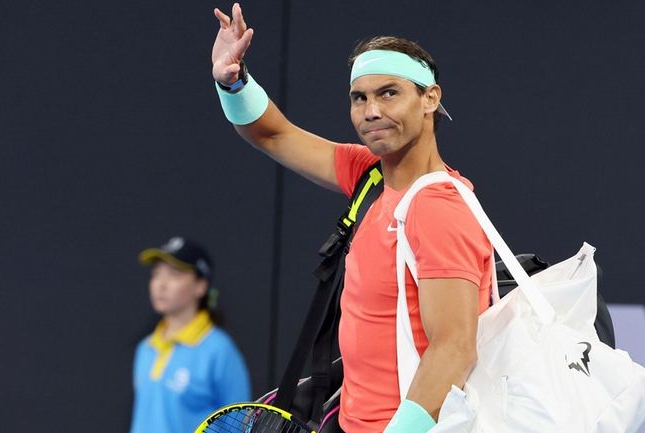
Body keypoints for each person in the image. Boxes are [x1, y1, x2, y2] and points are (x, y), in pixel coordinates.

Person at [211, 4, 494, 433]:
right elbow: (274, 133)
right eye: (359, 97)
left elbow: (454, 349)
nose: (371, 111)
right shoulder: (371, 175)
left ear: (430, 98)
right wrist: (231, 82)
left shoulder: (438, 209)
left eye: (389, 93)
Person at [129, 236, 251, 433]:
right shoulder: (146, 348)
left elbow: (239, 425)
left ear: (201, 286)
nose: (161, 284)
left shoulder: (220, 350)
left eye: (174, 274)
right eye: (157, 274)